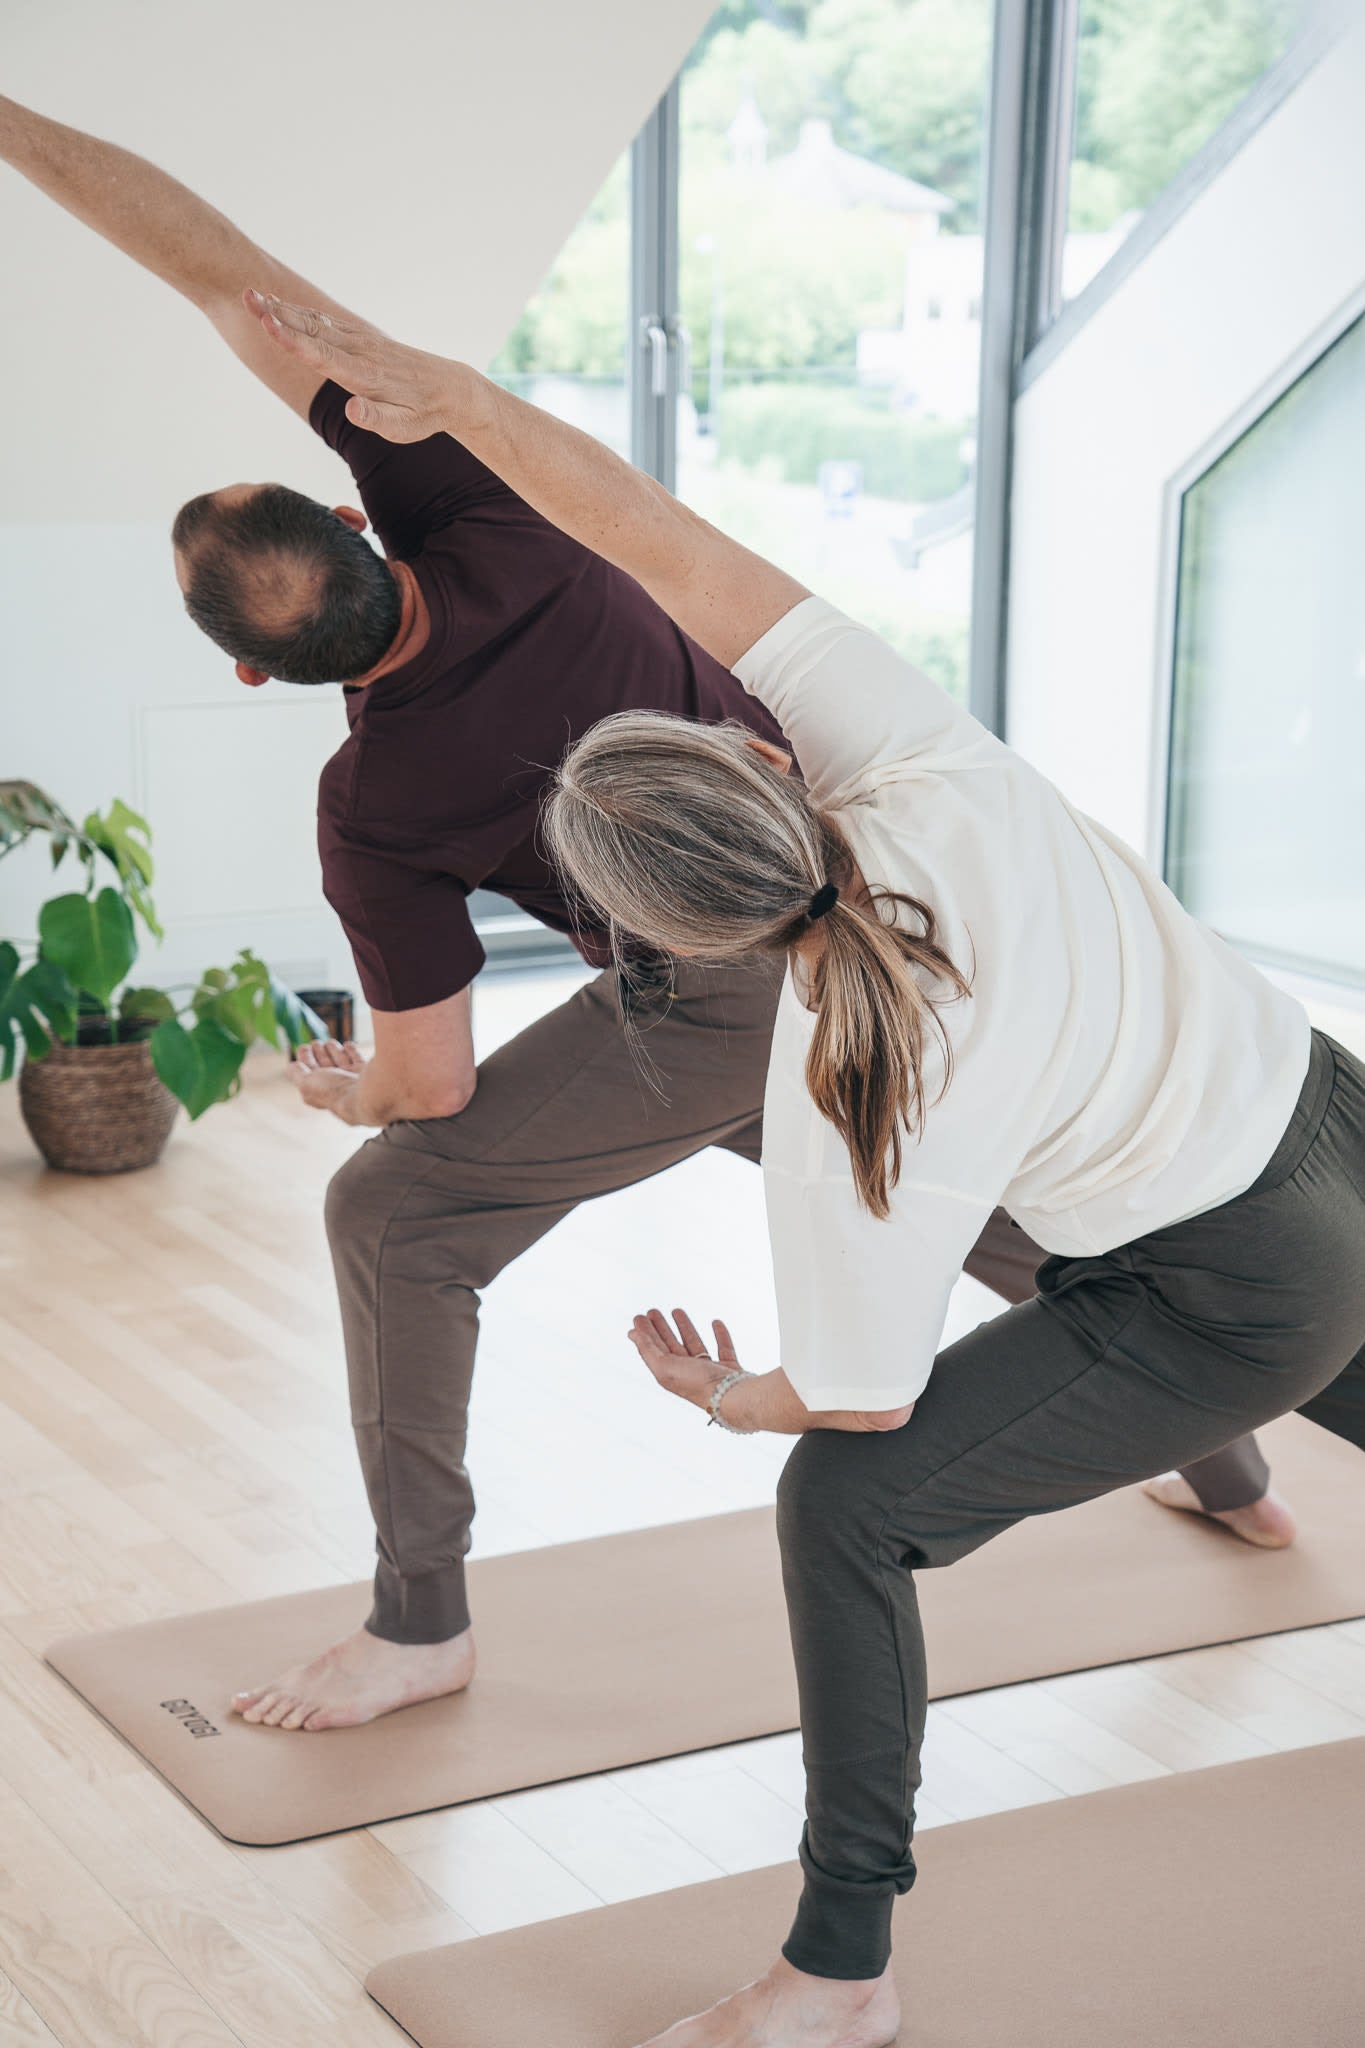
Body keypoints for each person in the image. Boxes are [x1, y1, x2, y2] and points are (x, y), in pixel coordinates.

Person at [0, 95, 1289, 1743]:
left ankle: (418, 1626)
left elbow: (429, 1088)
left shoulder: (372, 804)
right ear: (359, 517)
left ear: (255, 672)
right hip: (862, 898)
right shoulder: (490, 506)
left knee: (392, 1216)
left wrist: (347, 1091)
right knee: (957, 1192)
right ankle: (1233, 1466)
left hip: (715, 996)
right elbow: (220, 277)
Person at [246, 289, 1362, 2048]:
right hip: (1318, 1109)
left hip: (1227, 1285)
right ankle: (1225, 1471)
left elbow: (852, 1399)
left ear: (679, 945)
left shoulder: (849, 1086)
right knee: (1193, 1300)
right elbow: (655, 534)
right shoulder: (921, 751)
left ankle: (838, 1966)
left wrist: (722, 1394)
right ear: (762, 750)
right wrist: (467, 402)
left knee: (843, 1512)